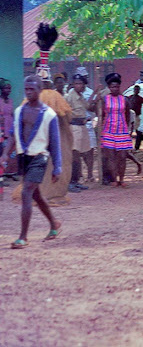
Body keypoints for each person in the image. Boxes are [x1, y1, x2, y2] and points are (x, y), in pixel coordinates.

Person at [0, 76, 62, 249]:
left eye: (31, 89)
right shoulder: (20, 110)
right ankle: (54, 223)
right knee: (35, 194)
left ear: (39, 91)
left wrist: (57, 167)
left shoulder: (49, 115)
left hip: (40, 157)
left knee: (26, 192)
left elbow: (55, 142)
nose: (28, 92)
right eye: (26, 89)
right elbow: (13, 134)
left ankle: (23, 237)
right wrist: (5, 154)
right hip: (23, 157)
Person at [95, 73, 132, 187]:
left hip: (122, 131)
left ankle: (122, 179)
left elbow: (127, 115)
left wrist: (127, 128)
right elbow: (99, 113)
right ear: (109, 88)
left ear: (119, 87)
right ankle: (114, 179)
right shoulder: (105, 99)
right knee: (110, 156)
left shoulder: (124, 100)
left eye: (116, 86)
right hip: (108, 131)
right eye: (112, 87)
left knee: (122, 156)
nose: (114, 89)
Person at [64, 74, 92, 192]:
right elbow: (64, 113)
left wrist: (96, 94)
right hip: (74, 127)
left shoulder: (81, 96)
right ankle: (70, 182)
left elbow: (88, 107)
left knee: (80, 155)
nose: (78, 86)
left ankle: (76, 181)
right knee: (73, 156)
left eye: (80, 83)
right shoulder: (69, 97)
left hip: (82, 127)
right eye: (76, 83)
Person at [0, 78, 16, 176]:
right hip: (1, 128)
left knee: (9, 150)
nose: (8, 91)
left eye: (9, 89)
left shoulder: (10, 101)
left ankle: (7, 173)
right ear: (1, 89)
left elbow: (11, 113)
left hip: (9, 127)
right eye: (6, 88)